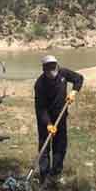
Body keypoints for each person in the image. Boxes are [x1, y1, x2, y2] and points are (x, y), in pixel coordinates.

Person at [34, 55, 84, 183]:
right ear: (44, 70)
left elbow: (78, 78)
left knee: (60, 145)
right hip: (45, 119)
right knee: (45, 146)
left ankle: (55, 173)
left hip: (60, 115)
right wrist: (48, 124)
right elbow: (41, 108)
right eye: (48, 70)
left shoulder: (63, 73)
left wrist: (74, 92)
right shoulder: (40, 84)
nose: (52, 72)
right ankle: (44, 175)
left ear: (56, 66)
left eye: (53, 68)